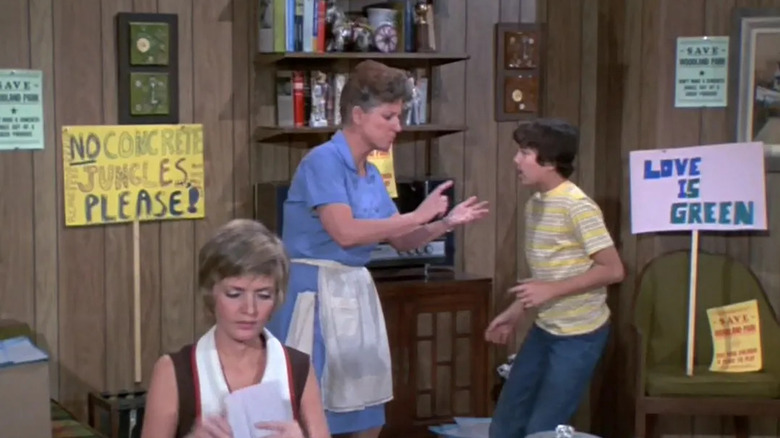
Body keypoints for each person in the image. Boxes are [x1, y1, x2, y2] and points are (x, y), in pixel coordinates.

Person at [266, 60, 489, 438]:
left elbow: (401, 239)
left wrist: (445, 223)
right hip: (313, 295)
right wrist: (416, 215)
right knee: (310, 411)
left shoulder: (370, 172)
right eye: (389, 116)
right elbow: (345, 233)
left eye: (399, 116)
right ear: (358, 114)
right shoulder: (323, 160)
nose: (398, 126)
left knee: (369, 416)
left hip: (354, 293)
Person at [485, 119, 625, 438]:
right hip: (545, 329)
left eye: (525, 153)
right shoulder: (535, 205)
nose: (516, 160)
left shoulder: (578, 207)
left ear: (549, 162)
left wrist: (552, 290)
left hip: (580, 335)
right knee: (505, 423)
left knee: (543, 430)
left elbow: (613, 269)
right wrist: (516, 310)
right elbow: (546, 275)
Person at [141, 219, 330, 438]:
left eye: (263, 295)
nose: (249, 309)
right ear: (210, 293)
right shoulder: (173, 371)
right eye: (234, 294)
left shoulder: (298, 368)